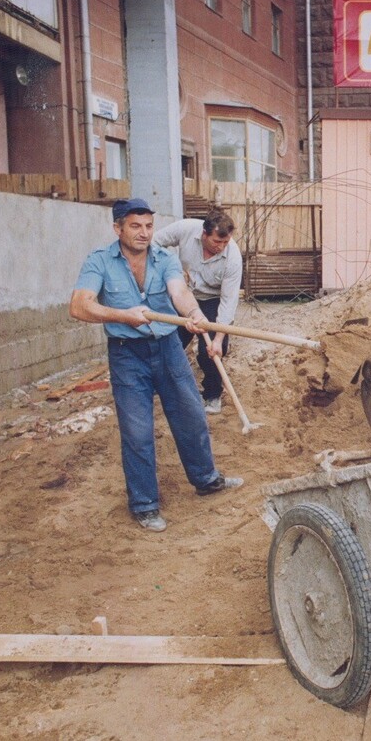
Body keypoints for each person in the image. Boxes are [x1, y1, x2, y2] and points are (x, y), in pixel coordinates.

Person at [70, 198, 243, 532]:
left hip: (167, 348)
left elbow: (180, 293)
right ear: (117, 227)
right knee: (137, 431)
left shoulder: (165, 258)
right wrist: (122, 315)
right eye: (135, 226)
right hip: (126, 354)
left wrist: (193, 315)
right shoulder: (99, 261)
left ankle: (206, 480)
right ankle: (145, 504)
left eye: (149, 226)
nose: (144, 233)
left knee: (191, 415)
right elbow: (79, 306)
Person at [153, 209, 243, 414]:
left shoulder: (233, 258)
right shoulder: (185, 229)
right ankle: (158, 385)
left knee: (209, 353)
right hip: (184, 295)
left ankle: (212, 396)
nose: (221, 247)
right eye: (216, 242)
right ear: (204, 234)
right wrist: (171, 268)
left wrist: (219, 339)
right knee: (169, 342)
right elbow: (154, 242)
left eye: (225, 243)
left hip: (213, 299)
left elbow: (229, 302)